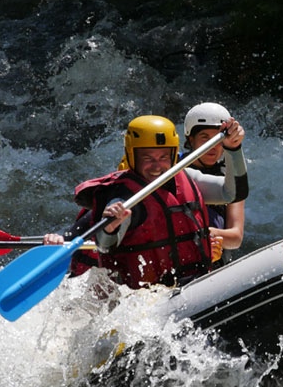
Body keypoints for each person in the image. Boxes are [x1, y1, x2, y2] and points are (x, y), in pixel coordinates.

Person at [46, 114, 245, 289]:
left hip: (190, 284)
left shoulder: (186, 177)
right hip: (142, 294)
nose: (157, 166)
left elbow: (233, 193)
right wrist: (110, 227)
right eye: (147, 158)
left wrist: (234, 149)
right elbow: (105, 245)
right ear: (132, 156)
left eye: (163, 157)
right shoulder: (122, 195)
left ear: (174, 155)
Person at [181, 102, 249, 262]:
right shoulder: (173, 169)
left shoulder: (231, 176)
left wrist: (206, 234)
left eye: (218, 139)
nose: (213, 146)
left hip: (215, 257)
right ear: (191, 140)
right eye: (205, 138)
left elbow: (236, 237)